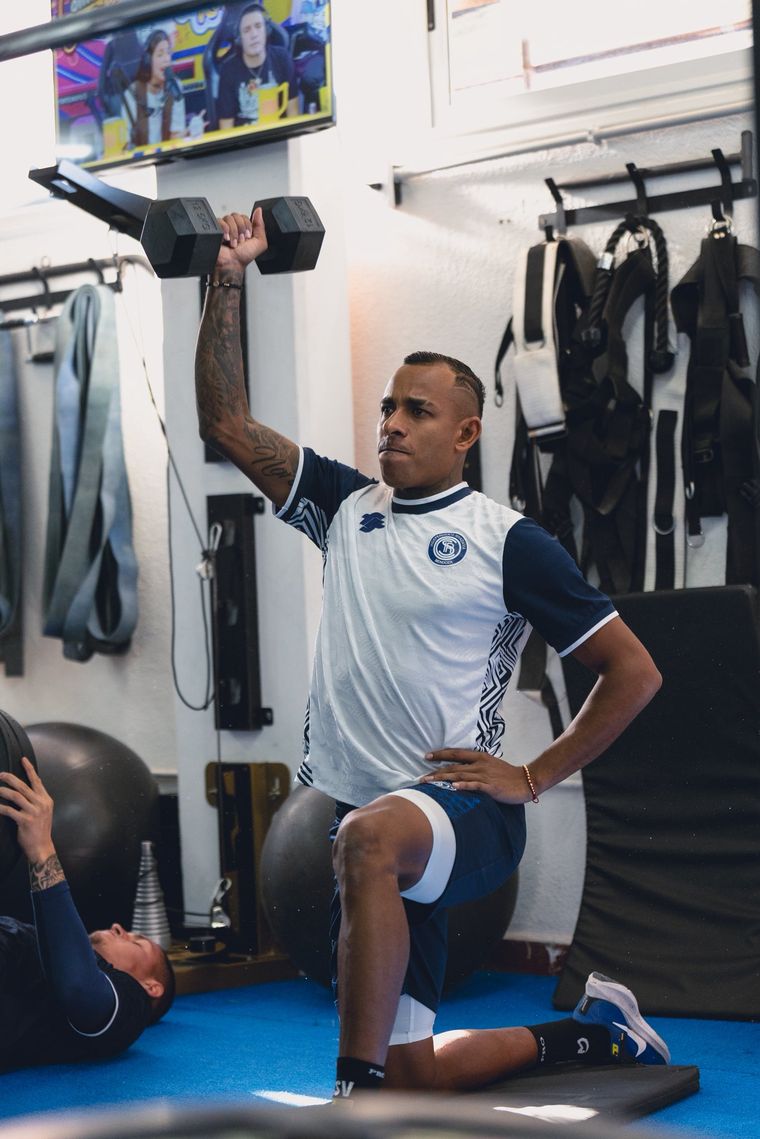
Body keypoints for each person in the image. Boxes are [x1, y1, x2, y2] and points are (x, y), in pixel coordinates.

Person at [193, 210, 667, 1097]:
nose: (393, 423)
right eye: (387, 406)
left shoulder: (508, 541)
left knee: (367, 839)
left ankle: (354, 1097)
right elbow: (225, 423)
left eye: (419, 410)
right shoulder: (344, 508)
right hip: (380, 828)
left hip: (463, 820)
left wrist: (530, 776)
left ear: (465, 432)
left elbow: (634, 671)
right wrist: (224, 275)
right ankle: (598, 1034)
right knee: (419, 1070)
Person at [0, 757, 174, 1073]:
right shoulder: (42, 944)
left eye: (137, 942)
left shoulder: (130, 1007)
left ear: (152, 986)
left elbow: (80, 987)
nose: (121, 928)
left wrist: (41, 848)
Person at [216, 3, 299, 129]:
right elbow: (226, 127)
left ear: (266, 30)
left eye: (258, 26)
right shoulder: (228, 71)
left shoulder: (282, 58)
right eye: (247, 30)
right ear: (239, 38)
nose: (254, 34)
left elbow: (293, 112)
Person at [122, 29, 187, 148]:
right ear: (148, 61)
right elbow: (125, 144)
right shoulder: (132, 93)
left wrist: (188, 132)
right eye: (160, 55)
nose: (167, 59)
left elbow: (176, 136)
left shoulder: (175, 86)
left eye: (168, 53)